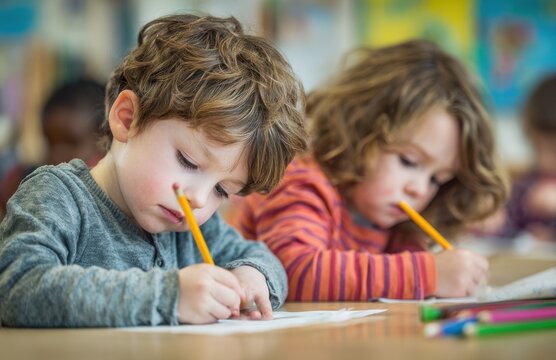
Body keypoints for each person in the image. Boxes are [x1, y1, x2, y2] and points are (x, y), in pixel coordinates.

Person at [0, 13, 307, 327]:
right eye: (188, 161)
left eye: (221, 190)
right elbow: (16, 286)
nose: (200, 199)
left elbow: (267, 262)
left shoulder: (193, 228)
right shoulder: (58, 197)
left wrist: (250, 277)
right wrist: (170, 297)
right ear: (127, 118)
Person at [227, 40, 509, 301]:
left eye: (437, 179)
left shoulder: (388, 219)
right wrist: (427, 274)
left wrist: (446, 273)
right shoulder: (302, 182)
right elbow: (294, 271)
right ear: (359, 131)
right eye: (409, 162)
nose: (419, 189)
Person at [0, 78, 106, 218]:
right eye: (49, 141)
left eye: (71, 142)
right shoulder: (23, 183)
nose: (56, 154)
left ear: (104, 139)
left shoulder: (107, 201)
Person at [489, 74, 556, 241]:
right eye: (536, 147)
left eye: (554, 150)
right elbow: (510, 229)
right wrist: (493, 222)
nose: (544, 161)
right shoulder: (527, 185)